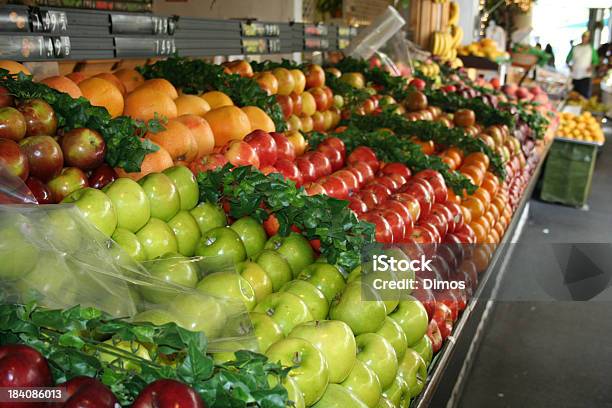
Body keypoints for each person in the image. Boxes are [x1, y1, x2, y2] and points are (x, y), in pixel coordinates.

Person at [566, 31, 600, 98]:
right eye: (583, 37)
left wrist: (591, 67)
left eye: (586, 37)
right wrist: (569, 66)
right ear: (581, 38)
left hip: (585, 76)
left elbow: (596, 61)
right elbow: (567, 60)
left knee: (584, 96)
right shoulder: (575, 48)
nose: (584, 39)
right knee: (574, 95)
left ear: (588, 39)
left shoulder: (591, 49)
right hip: (575, 75)